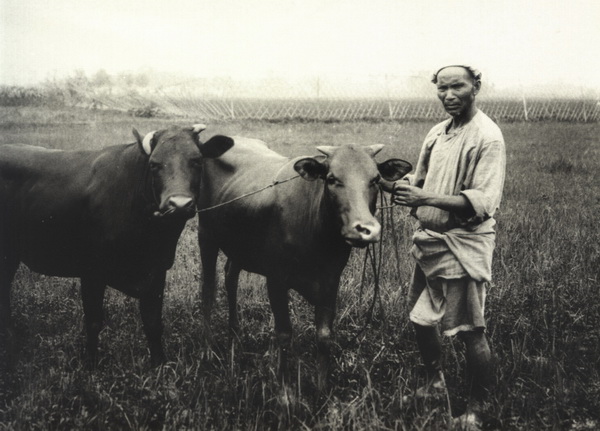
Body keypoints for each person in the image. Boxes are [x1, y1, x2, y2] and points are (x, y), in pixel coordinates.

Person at [388, 65, 506, 429]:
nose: (449, 95)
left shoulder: (488, 138)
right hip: (429, 243)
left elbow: (481, 202)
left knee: (471, 330)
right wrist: (389, 182)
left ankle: (477, 406)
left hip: (462, 243)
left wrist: (424, 196)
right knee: (421, 320)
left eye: (458, 87)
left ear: (476, 87)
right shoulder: (438, 132)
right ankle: (434, 384)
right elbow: (418, 179)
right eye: (442, 88)